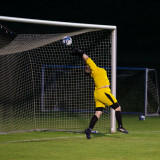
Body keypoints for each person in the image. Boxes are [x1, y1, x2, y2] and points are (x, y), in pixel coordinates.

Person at [73, 48, 128, 139]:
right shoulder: (94, 69)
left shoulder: (94, 72)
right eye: (87, 66)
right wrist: (80, 53)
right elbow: (87, 58)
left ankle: (89, 129)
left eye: (87, 66)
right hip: (103, 92)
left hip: (98, 93)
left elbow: (86, 61)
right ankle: (120, 127)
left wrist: (80, 56)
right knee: (118, 108)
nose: (87, 65)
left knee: (98, 113)